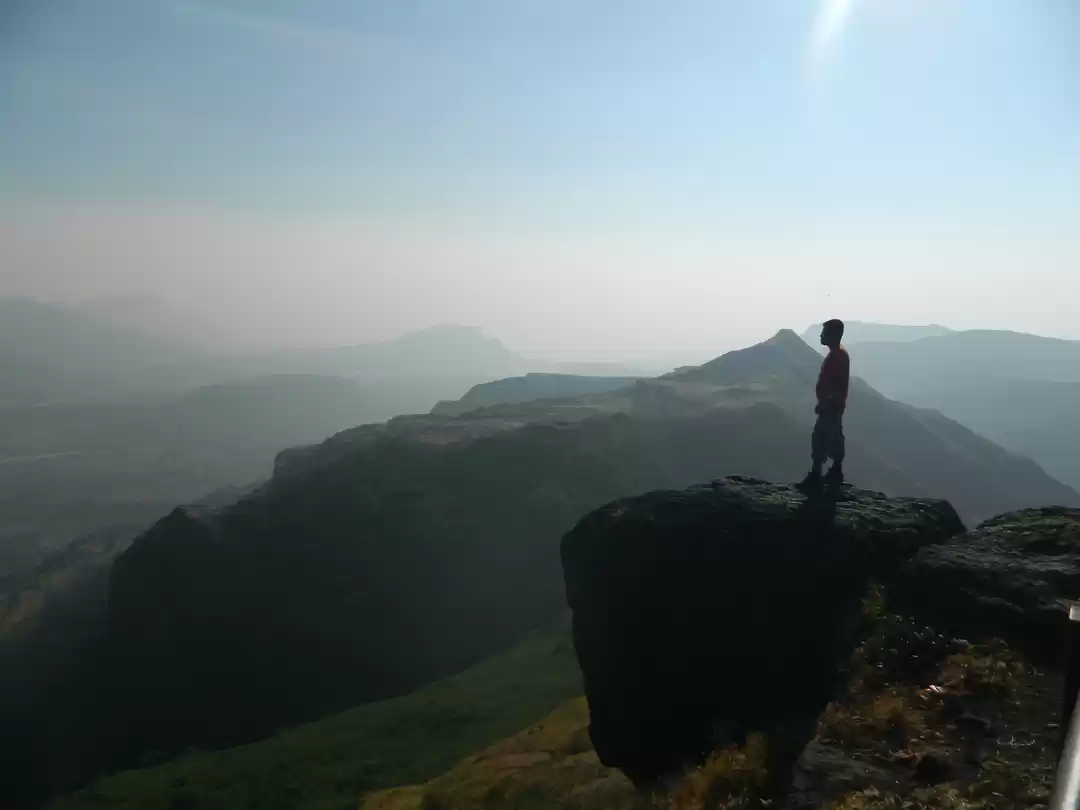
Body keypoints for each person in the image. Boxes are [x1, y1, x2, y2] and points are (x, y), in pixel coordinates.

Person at [799, 319, 849, 489]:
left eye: (824, 332)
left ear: (832, 335)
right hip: (834, 405)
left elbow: (834, 383)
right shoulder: (840, 354)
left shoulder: (836, 357)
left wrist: (825, 402)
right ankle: (835, 471)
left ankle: (816, 476)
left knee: (820, 437)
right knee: (835, 436)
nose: (821, 335)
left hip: (830, 406)